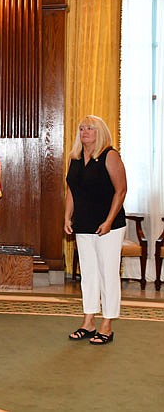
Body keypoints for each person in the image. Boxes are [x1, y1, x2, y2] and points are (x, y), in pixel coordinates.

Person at [65, 115, 126, 345]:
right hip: (83, 224)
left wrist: (109, 221)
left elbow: (121, 191)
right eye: (81, 128)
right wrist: (66, 216)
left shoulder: (109, 155)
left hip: (108, 226)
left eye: (90, 128)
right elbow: (71, 190)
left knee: (107, 274)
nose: (85, 132)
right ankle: (88, 321)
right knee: (88, 274)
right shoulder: (76, 158)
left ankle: (107, 325)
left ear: (100, 132)